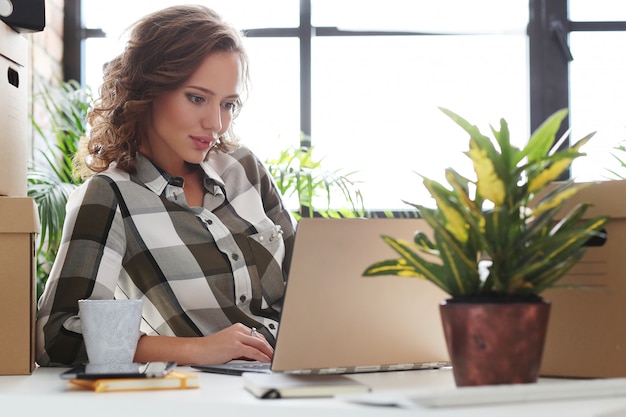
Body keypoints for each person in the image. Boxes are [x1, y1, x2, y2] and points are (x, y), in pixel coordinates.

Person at [35, 5, 296, 367]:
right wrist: (197, 349)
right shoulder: (110, 197)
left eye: (228, 104)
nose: (216, 123)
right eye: (197, 98)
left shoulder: (245, 168)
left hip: (302, 372)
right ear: (148, 90)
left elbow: (308, 283)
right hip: (210, 394)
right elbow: (57, 335)